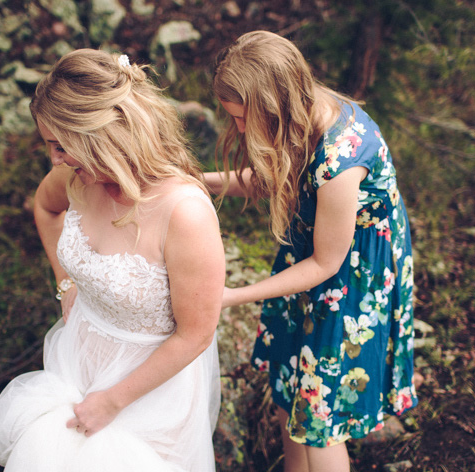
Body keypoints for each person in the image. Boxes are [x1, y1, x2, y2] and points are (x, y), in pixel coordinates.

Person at [0, 49, 225, 471]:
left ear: (105, 134)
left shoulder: (185, 213)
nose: (55, 159)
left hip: (149, 396)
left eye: (63, 145)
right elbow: (44, 208)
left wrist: (112, 402)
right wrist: (66, 283)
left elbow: (196, 334)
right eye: (50, 146)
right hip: (74, 364)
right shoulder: (74, 178)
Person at [204, 31, 417, 472]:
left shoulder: (342, 158)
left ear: (272, 104)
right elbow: (276, 179)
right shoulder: (299, 111)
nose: (239, 128)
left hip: (352, 281)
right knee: (290, 392)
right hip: (313, 260)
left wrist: (230, 295)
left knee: (319, 420)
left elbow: (326, 262)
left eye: (243, 118)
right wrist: (199, 181)